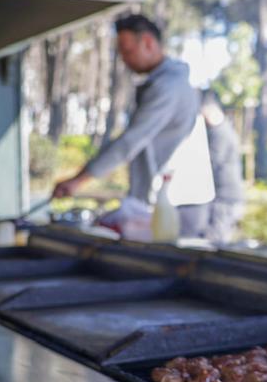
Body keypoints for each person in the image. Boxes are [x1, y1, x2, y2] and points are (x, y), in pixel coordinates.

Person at [53, 14, 213, 238]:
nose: (124, 59)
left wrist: (78, 181)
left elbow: (131, 141)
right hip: (165, 200)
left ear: (148, 42)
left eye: (127, 51)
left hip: (179, 203)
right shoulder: (163, 83)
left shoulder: (169, 87)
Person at [201, 95, 246, 244]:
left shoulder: (218, 133)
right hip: (228, 196)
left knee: (215, 240)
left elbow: (212, 162)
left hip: (224, 197)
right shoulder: (226, 129)